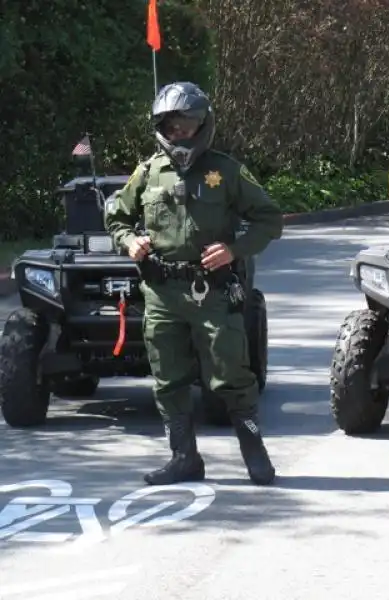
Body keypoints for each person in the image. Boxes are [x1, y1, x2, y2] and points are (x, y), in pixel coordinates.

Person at [104, 82, 284, 486]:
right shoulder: (149, 173)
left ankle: (254, 452)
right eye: (171, 126)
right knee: (168, 379)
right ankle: (184, 458)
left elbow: (269, 219)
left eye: (187, 124)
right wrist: (130, 240)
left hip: (212, 293)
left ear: (203, 125)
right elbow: (115, 213)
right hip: (162, 293)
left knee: (231, 375)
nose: (180, 133)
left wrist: (234, 250)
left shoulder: (227, 171)